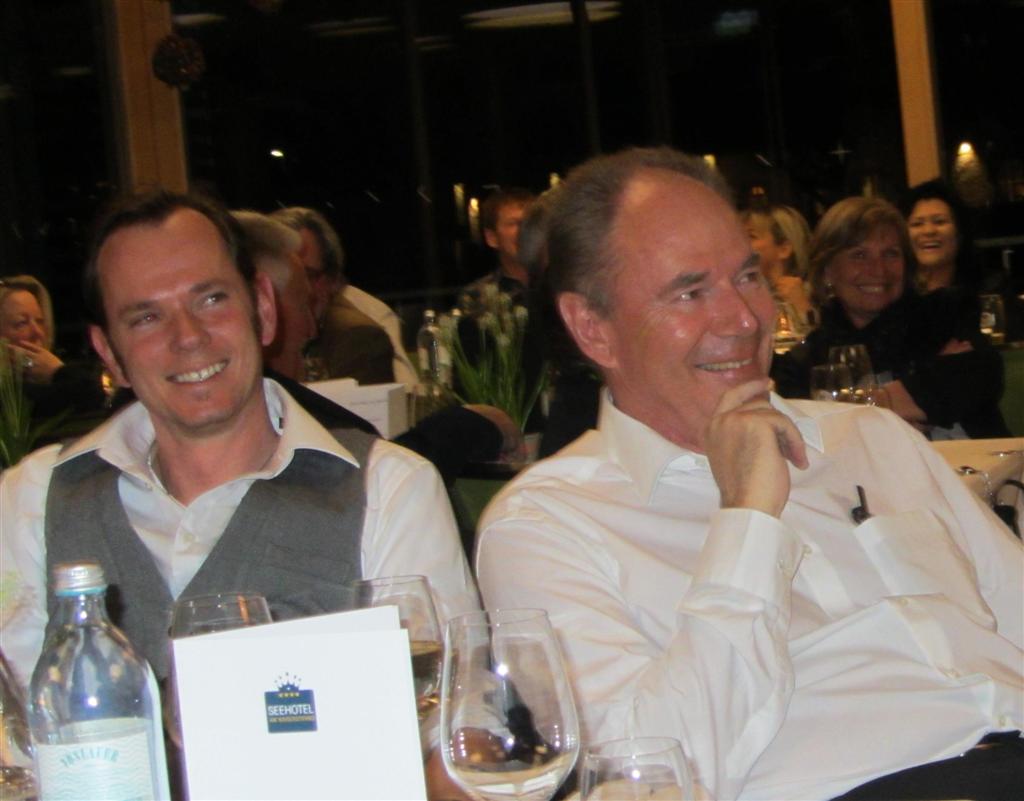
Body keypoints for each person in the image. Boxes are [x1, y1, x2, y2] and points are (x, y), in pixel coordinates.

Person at [475, 147, 1023, 801]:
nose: (744, 318)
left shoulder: (870, 437)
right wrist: (748, 519)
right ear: (593, 328)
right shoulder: (546, 524)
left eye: (748, 276)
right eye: (690, 291)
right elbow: (642, 778)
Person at [0, 191, 478, 695]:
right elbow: (15, 725)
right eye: (146, 317)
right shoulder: (31, 499)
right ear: (110, 354)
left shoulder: (389, 491)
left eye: (211, 299)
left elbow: (454, 710)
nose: (188, 336)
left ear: (264, 309)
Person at [772, 196, 1009, 439]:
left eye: (891, 254)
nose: (878, 270)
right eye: (859, 255)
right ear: (827, 270)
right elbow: (807, 439)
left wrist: (867, 408)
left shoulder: (944, 314)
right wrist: (916, 397)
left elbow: (981, 374)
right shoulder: (806, 361)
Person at [271, 206, 418, 387]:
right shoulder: (261, 326)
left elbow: (408, 391)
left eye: (306, 275)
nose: (291, 284)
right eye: (280, 273)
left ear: (332, 281)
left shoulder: (360, 336)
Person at [0, 275, 106, 420]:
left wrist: (55, 371)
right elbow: (91, 394)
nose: (38, 332)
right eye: (22, 323)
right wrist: (57, 372)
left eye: (40, 321)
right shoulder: (10, 397)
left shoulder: (69, 373)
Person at [740, 205, 815, 336]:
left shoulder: (815, 295)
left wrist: (802, 308)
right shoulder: (741, 295)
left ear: (784, 249)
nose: (740, 243)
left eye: (751, 236)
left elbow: (821, 344)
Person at [462, 187, 537, 307]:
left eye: (531, 222)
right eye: (514, 223)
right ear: (492, 238)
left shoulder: (560, 286)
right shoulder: (479, 297)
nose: (524, 230)